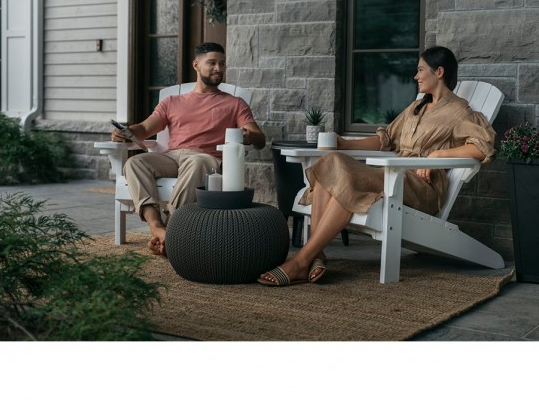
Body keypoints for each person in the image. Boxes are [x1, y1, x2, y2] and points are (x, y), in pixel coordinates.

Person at [258, 46, 496, 286]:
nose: (416, 76)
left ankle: (301, 261)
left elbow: (482, 147)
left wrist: (438, 155)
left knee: (342, 175)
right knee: (330, 161)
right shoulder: (417, 107)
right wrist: (345, 144)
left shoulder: (459, 111)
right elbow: (386, 139)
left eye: (421, 70)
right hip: (393, 174)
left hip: (421, 186)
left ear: (439, 72)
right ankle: (315, 255)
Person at [112, 42, 265, 256]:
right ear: (196, 65)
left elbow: (259, 139)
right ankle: (157, 228)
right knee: (135, 163)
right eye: (212, 63)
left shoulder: (235, 103)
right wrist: (125, 132)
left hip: (207, 159)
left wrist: (249, 135)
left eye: (222, 64)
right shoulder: (172, 101)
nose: (218, 68)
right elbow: (145, 129)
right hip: (172, 158)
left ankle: (172, 230)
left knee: (197, 161)